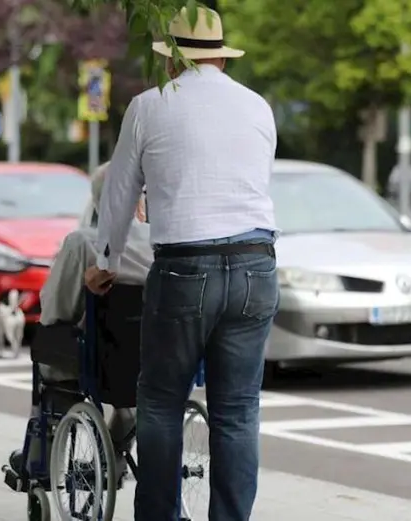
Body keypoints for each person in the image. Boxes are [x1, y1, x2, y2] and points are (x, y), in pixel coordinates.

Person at [86, 6, 279, 521]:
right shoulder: (257, 106)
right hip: (256, 263)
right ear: (221, 58)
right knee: (237, 411)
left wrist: (105, 261)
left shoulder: (148, 106)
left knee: (161, 403)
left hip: (184, 268)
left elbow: (119, 193)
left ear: (171, 60)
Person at [8, 162, 152, 480]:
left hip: (100, 358)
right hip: (154, 356)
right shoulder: (160, 244)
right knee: (133, 393)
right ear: (139, 202)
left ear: (98, 202)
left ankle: (39, 462)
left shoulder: (83, 243)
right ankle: (115, 451)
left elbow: (55, 308)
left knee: (51, 364)